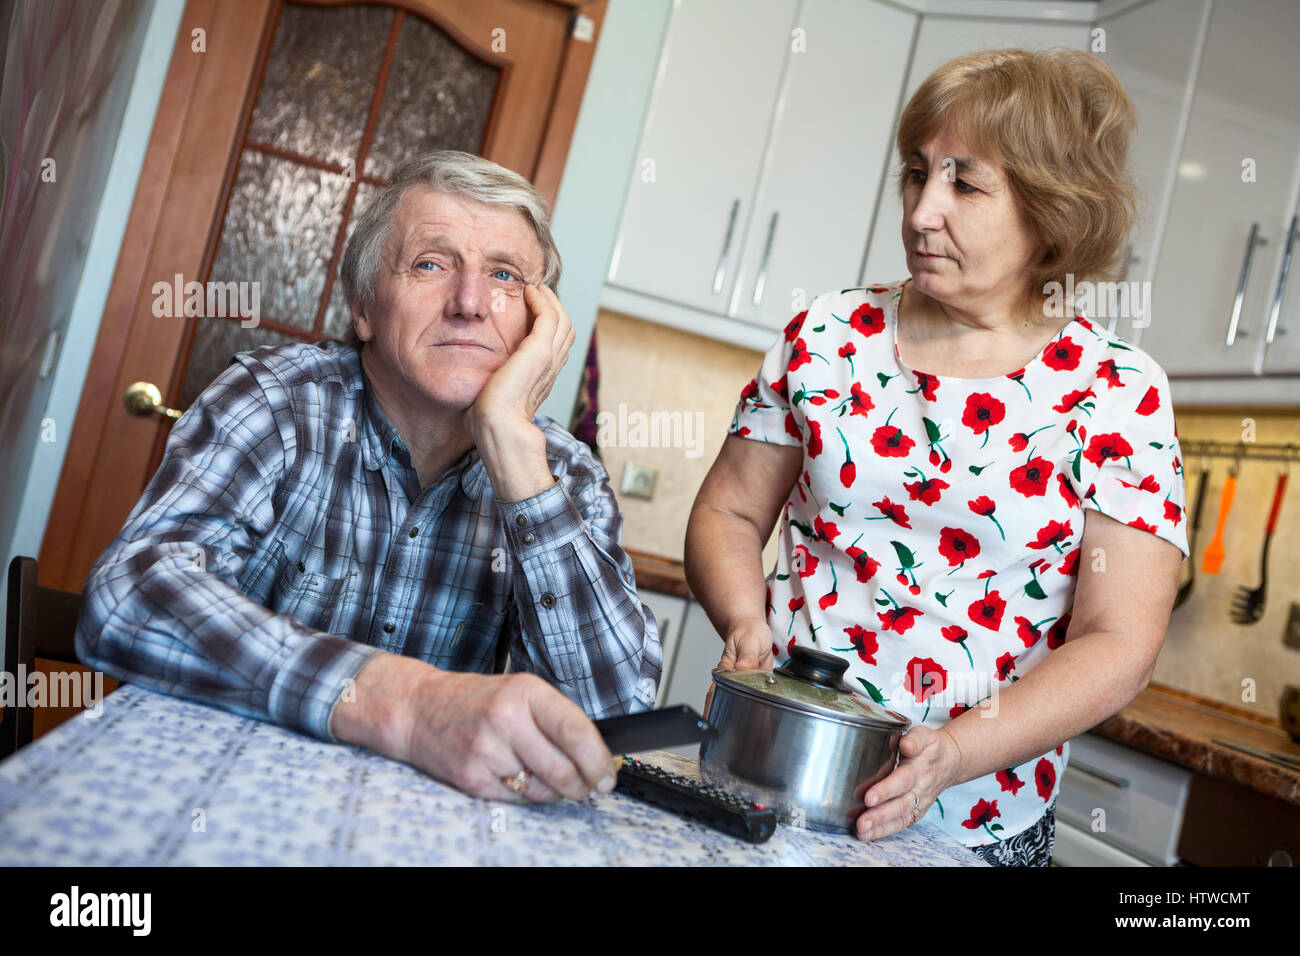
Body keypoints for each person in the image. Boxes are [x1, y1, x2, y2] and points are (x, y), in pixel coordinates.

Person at [685, 48, 1187, 866]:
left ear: (1051, 209)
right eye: (917, 174)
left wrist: (953, 752)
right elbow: (730, 512)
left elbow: (1118, 639)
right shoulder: (826, 336)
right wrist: (744, 620)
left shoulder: (1117, 391)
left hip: (975, 817)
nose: (922, 211)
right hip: (768, 770)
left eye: (965, 183)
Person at [76, 150, 661, 805]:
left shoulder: (563, 476)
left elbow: (613, 721)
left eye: (504, 275)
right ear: (364, 307)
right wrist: (402, 702)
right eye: (431, 264)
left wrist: (516, 457)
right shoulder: (276, 402)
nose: (470, 303)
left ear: (539, 324)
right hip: (212, 798)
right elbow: (128, 599)